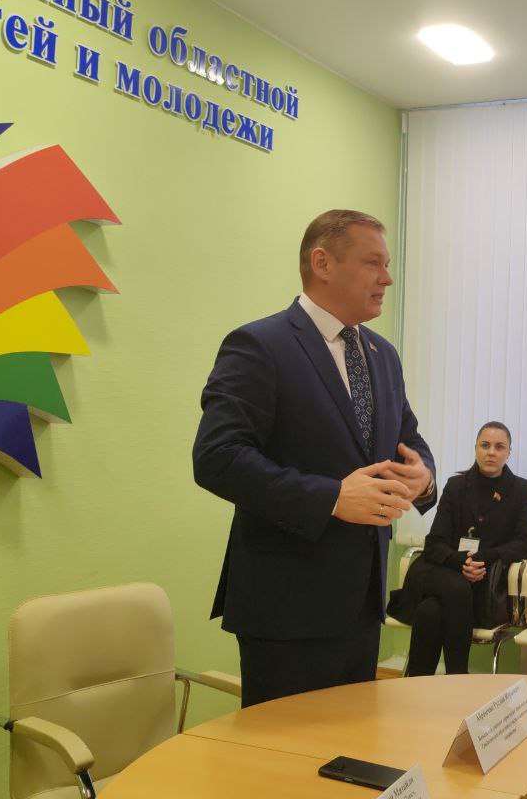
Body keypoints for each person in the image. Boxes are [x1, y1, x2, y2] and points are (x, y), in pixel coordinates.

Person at [193, 209, 437, 706]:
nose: (387, 278)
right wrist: (331, 497)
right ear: (322, 263)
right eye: (373, 263)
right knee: (284, 753)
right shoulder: (259, 345)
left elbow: (407, 440)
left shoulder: (382, 355)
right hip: (287, 612)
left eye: (387, 265)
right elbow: (217, 457)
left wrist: (424, 477)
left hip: (363, 606)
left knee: (350, 747)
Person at [387, 421, 527, 675]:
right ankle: (458, 677)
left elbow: (525, 543)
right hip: (440, 569)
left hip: (484, 583)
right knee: (455, 587)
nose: (491, 452)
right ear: (476, 448)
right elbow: (434, 542)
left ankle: (416, 685)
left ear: (509, 452)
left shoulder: (522, 490)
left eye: (499, 447)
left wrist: (484, 558)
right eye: (485, 445)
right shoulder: (456, 486)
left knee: (429, 612)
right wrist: (461, 561)